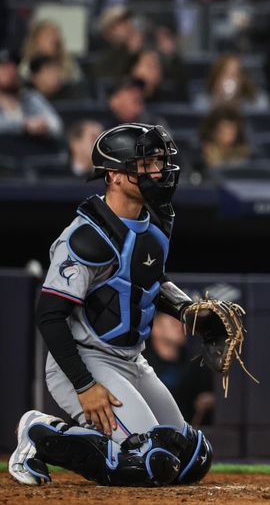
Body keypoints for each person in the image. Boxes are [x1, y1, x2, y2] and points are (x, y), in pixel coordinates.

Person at [8, 123, 213, 487]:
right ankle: (41, 434)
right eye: (146, 163)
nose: (158, 171)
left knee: (191, 459)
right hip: (85, 359)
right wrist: (85, 385)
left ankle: (76, 435)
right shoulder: (88, 236)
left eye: (158, 162)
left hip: (131, 359)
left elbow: (148, 280)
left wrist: (187, 310)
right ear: (115, 176)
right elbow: (49, 314)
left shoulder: (156, 219)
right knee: (148, 463)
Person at [0, 49, 63, 139]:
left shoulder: (31, 98)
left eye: (13, 66)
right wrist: (24, 126)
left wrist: (45, 126)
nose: (11, 71)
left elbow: (56, 124)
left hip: (34, 151)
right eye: (4, 68)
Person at [194, 52, 268, 111]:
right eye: (225, 75)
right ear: (216, 79)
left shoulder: (257, 103)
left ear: (242, 81)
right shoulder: (202, 104)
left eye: (234, 75)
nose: (229, 80)